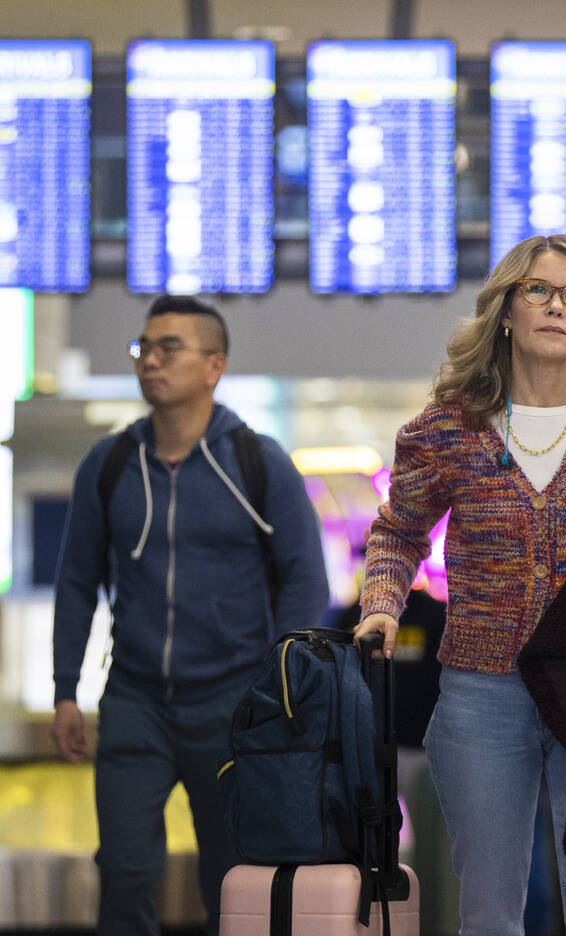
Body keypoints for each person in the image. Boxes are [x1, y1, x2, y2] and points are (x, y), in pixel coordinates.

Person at [353, 234, 566, 936]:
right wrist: (382, 607)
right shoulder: (447, 428)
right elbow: (398, 532)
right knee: (488, 912)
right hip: (483, 694)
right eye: (537, 290)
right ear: (506, 311)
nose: (556, 306)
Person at [52, 295, 329, 936]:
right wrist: (66, 691)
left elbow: (305, 580)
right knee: (124, 871)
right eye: (142, 348)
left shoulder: (258, 463)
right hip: (134, 701)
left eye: (168, 348)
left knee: (233, 880)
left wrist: (277, 686)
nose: (150, 360)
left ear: (214, 365)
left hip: (234, 706)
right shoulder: (110, 464)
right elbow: (75, 582)